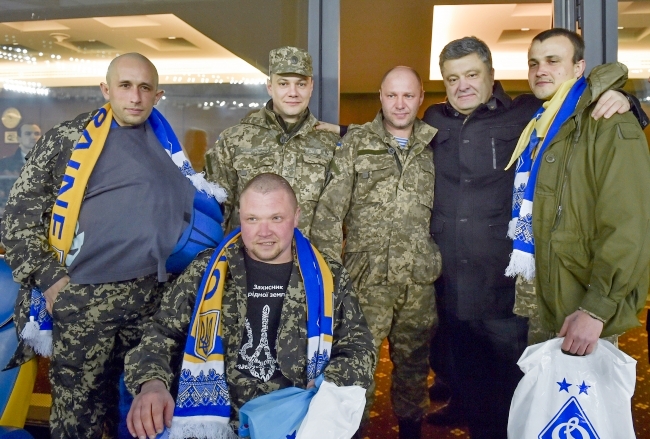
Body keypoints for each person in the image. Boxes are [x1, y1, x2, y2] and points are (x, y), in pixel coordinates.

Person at [422, 36, 645, 438]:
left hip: (509, 292)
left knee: (523, 398)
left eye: (472, 74)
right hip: (454, 288)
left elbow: (586, 105)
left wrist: (628, 101)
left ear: (492, 75)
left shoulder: (529, 113)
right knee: (472, 391)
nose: (463, 85)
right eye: (452, 79)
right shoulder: (433, 120)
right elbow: (390, 128)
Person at [1, 52, 226, 438]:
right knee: (78, 422)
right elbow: (18, 217)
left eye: (144, 88)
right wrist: (51, 281)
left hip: (150, 311)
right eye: (125, 86)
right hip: (84, 305)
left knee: (143, 423)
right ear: (106, 89)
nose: (135, 97)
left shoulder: (168, 147)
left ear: (157, 95)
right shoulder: (69, 139)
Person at [124, 173, 375, 439]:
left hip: (294, 420)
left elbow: (359, 347)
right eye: (252, 219)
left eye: (276, 218)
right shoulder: (206, 271)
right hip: (215, 424)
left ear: (296, 216)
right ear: (240, 217)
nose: (263, 232)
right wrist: (151, 383)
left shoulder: (328, 277)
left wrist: (328, 384)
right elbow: (161, 333)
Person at [311, 66, 441, 439]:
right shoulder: (356, 144)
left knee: (415, 368)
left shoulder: (435, 145)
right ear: (380, 97)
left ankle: (411, 431)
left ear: (420, 98)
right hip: (365, 281)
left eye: (408, 95)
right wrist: (331, 276)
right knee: (357, 370)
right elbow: (329, 213)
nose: (399, 104)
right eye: (392, 95)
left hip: (418, 282)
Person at [506, 28, 650, 359]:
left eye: (552, 61)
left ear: (578, 67)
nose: (540, 70)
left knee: (581, 391)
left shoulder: (609, 121)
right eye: (533, 63)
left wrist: (596, 309)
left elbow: (628, 224)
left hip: (581, 303)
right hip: (546, 293)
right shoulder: (541, 121)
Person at [204, 46, 339, 237]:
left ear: (311, 87)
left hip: (309, 254)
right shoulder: (234, 140)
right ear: (269, 86)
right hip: (247, 253)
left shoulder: (332, 144)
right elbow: (214, 213)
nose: (293, 93)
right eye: (283, 84)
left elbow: (335, 216)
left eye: (301, 84)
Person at [0, 123, 42, 215]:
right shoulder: (4, 164)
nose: (33, 137)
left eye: (37, 134)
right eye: (28, 133)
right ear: (19, 138)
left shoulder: (51, 163)